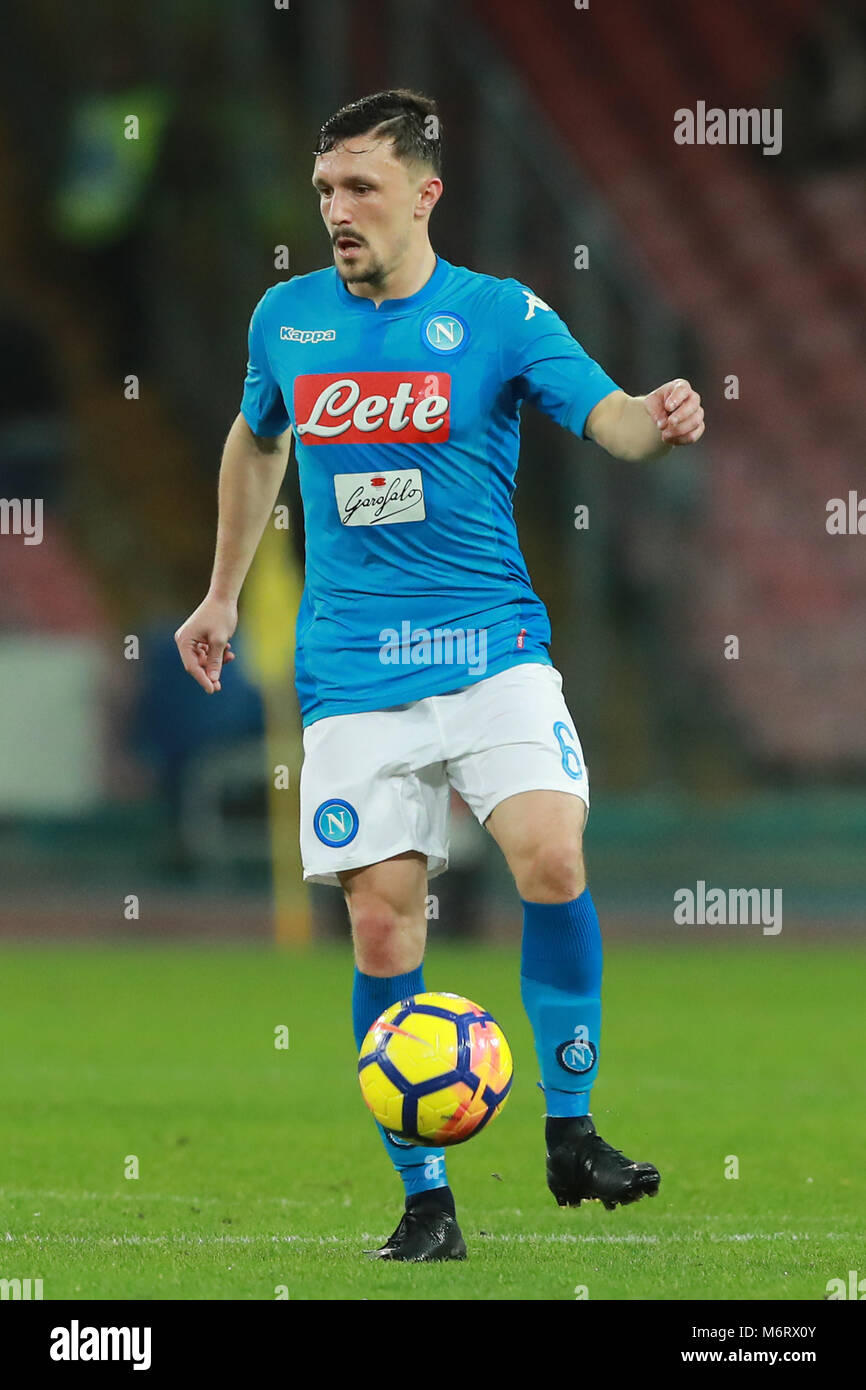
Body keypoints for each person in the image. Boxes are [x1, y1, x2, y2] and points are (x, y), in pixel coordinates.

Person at [175, 89, 705, 1262]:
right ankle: (425, 1204)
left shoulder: (501, 316)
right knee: (379, 930)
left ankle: (571, 1132)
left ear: (425, 194)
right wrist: (220, 591)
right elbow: (257, 437)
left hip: (488, 651)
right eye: (324, 190)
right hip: (353, 671)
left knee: (552, 853)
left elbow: (605, 420)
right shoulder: (287, 320)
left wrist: (655, 417)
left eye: (359, 188)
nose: (336, 212)